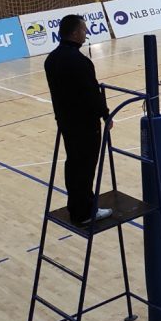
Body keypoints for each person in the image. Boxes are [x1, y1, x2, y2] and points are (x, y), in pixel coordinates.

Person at [44, 15, 112, 224]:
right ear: (74, 33)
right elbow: (91, 94)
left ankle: (77, 206)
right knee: (85, 167)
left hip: (65, 122)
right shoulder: (80, 62)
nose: (86, 33)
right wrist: (106, 115)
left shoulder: (51, 59)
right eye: (83, 30)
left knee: (73, 164)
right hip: (85, 124)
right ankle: (84, 212)